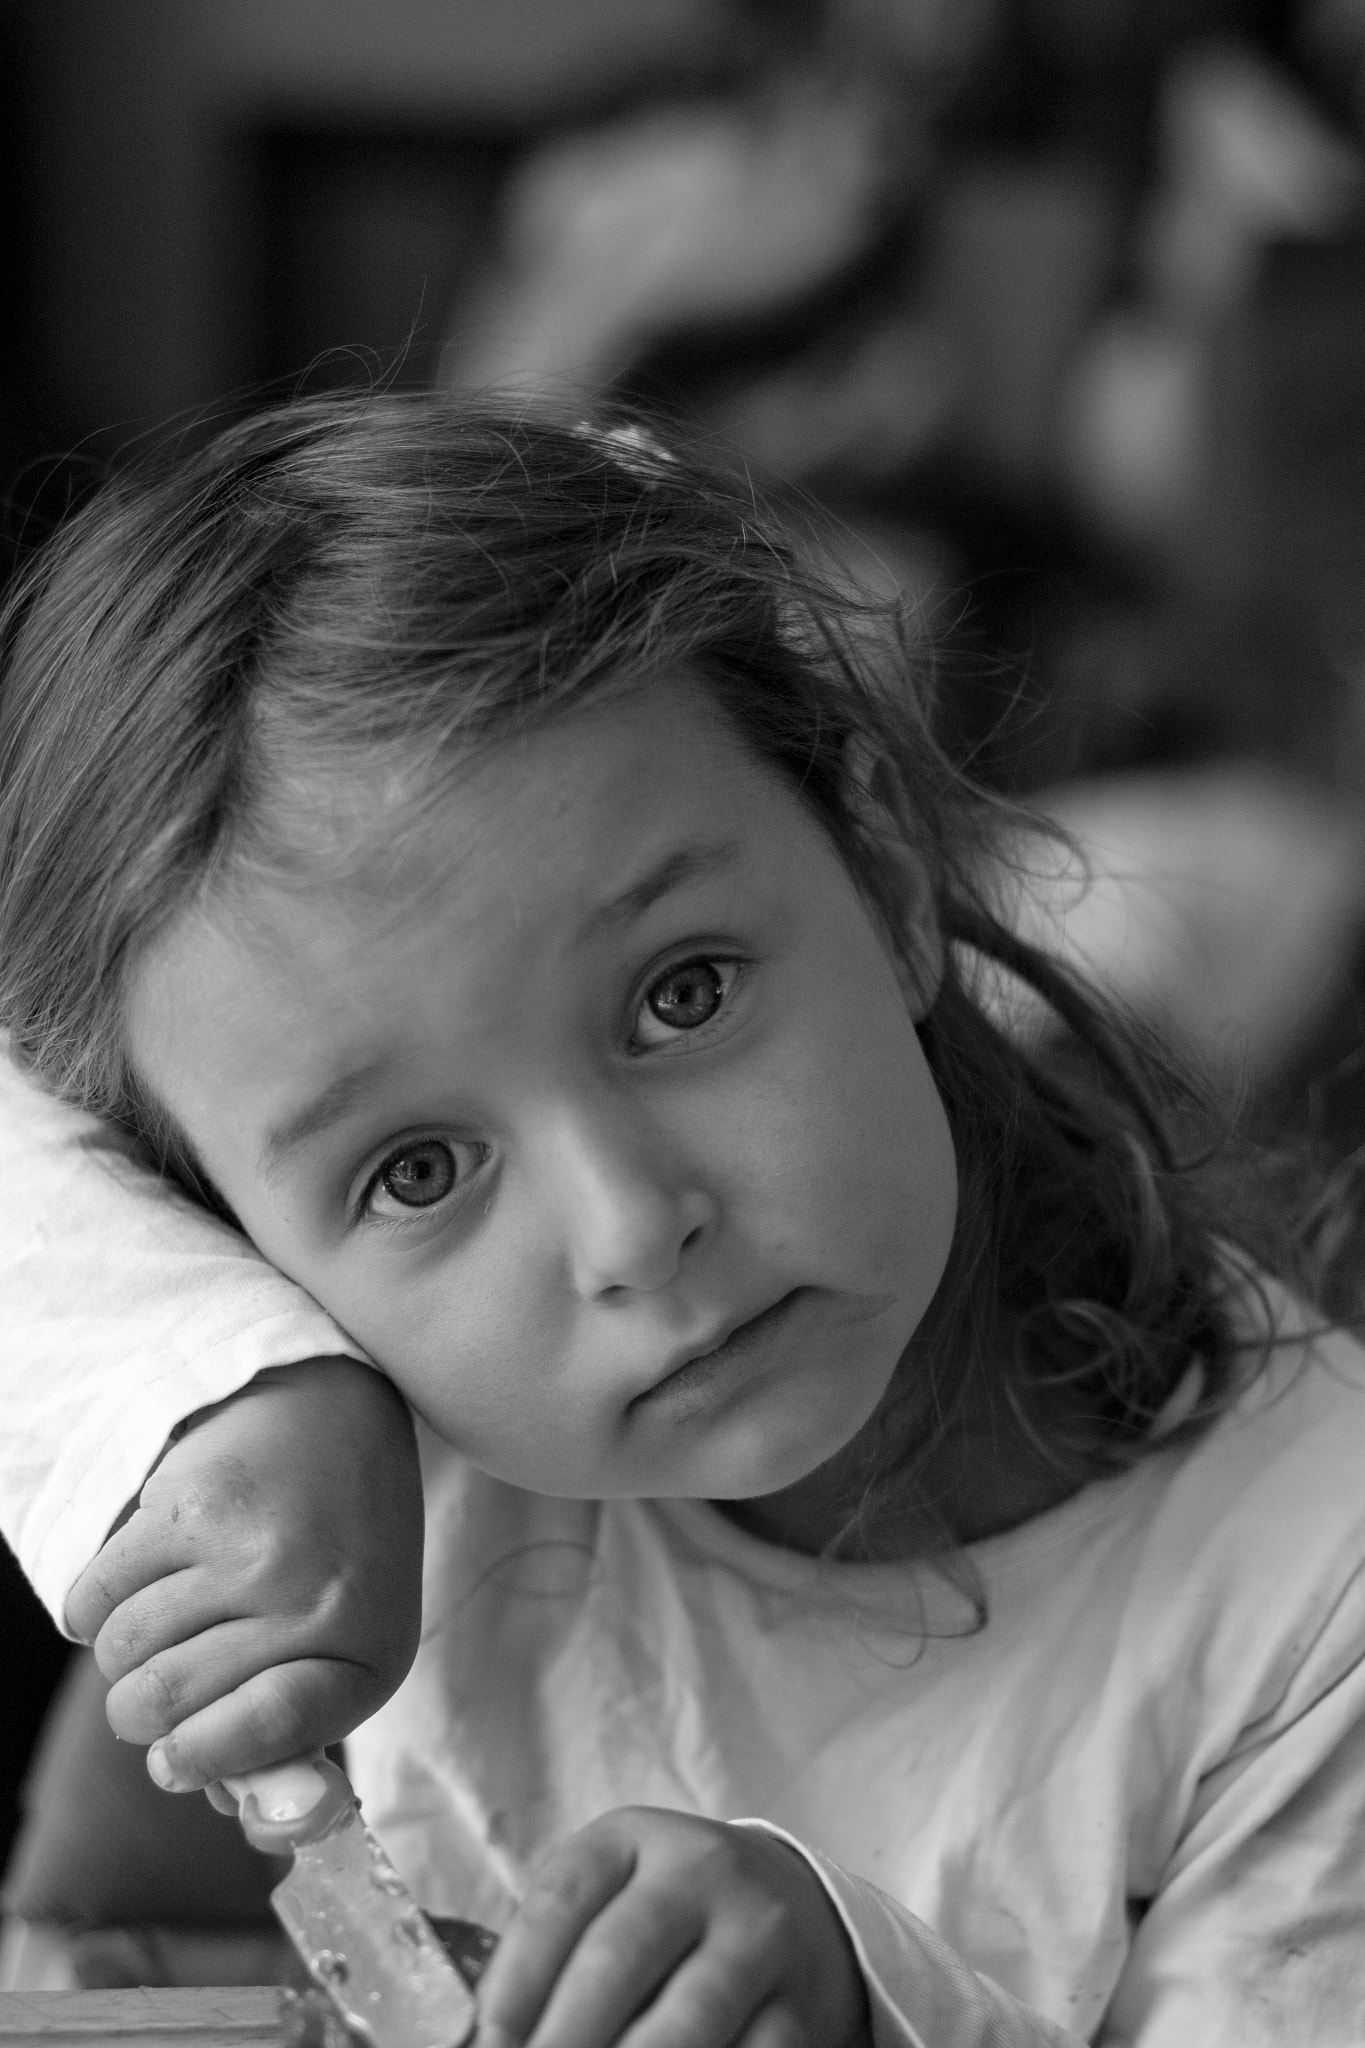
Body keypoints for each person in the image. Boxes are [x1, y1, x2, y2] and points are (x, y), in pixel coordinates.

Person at [1, 392, 1364, 2048]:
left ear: (880, 868)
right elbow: (104, 1925)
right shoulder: (342, 1470)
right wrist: (237, 1383)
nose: (633, 1230)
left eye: (683, 993)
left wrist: (863, 2014)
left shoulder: (1315, 1598)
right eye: (416, 1173)